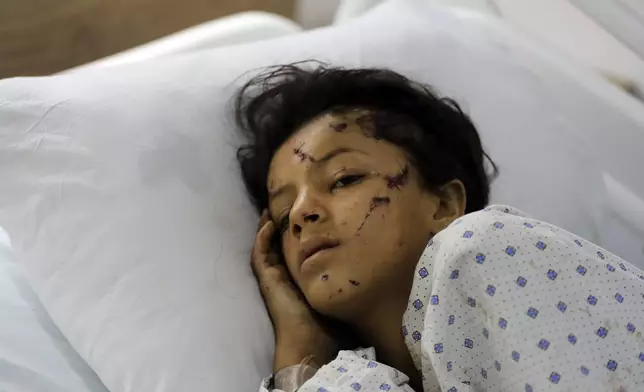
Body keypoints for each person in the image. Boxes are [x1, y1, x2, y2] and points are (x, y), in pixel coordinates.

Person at [235, 62, 644, 392]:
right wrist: (299, 356)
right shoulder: (360, 373)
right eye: (284, 215)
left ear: (445, 204)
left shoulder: (484, 249)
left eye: (344, 179)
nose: (303, 214)